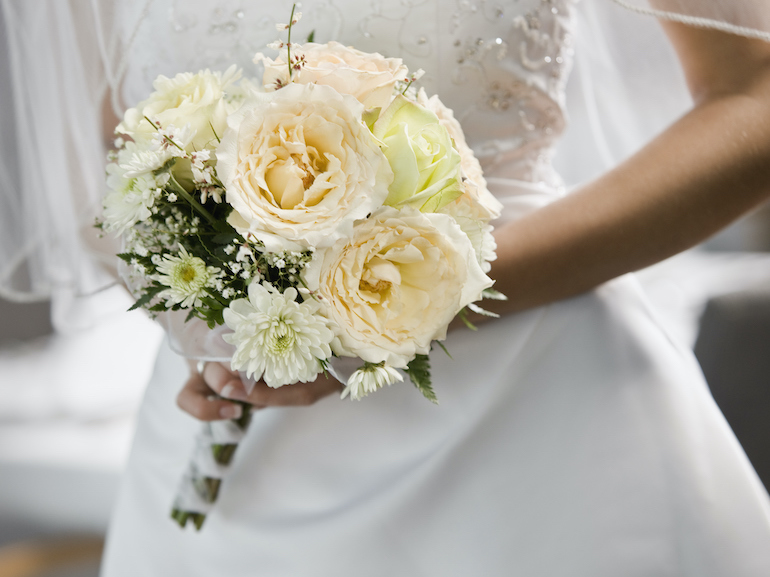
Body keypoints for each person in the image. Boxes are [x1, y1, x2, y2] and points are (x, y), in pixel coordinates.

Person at [2, 0, 770, 575]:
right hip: (240, 451)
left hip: (548, 426)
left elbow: (754, 96)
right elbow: (101, 154)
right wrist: (203, 315)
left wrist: (430, 292)